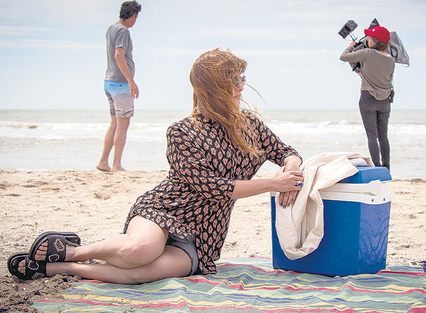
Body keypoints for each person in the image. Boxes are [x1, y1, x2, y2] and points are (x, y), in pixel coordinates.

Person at [8, 48, 304, 284]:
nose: (242, 86)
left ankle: (58, 269)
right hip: (164, 209)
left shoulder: (249, 125)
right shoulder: (182, 132)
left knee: (144, 273)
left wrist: (290, 168)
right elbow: (213, 188)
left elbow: (285, 151)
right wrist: (273, 184)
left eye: (241, 78)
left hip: (204, 234)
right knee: (139, 251)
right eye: (234, 80)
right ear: (215, 87)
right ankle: (74, 250)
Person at [340, 25, 395, 170]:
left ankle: (376, 167)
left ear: (376, 41)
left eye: (370, 37)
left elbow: (343, 57)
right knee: (383, 135)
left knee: (372, 136)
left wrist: (351, 46)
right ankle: (387, 168)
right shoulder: (391, 59)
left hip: (368, 99)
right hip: (385, 102)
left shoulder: (367, 53)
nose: (368, 39)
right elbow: (387, 79)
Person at [97, 1, 142, 172]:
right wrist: (131, 81)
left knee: (114, 124)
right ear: (132, 16)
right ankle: (116, 164)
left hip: (109, 82)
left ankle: (103, 162)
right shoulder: (123, 31)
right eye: (135, 18)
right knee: (122, 126)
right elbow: (118, 55)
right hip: (120, 84)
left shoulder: (111, 28)